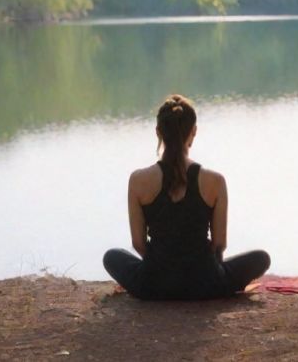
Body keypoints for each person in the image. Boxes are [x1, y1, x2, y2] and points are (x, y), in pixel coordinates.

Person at [103, 94, 270, 300]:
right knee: (261, 259)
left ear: (158, 132)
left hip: (153, 284)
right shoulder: (215, 181)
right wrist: (205, 272)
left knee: (111, 257)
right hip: (205, 283)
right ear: (194, 132)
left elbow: (138, 243)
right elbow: (219, 244)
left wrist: (163, 266)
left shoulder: (138, 180)